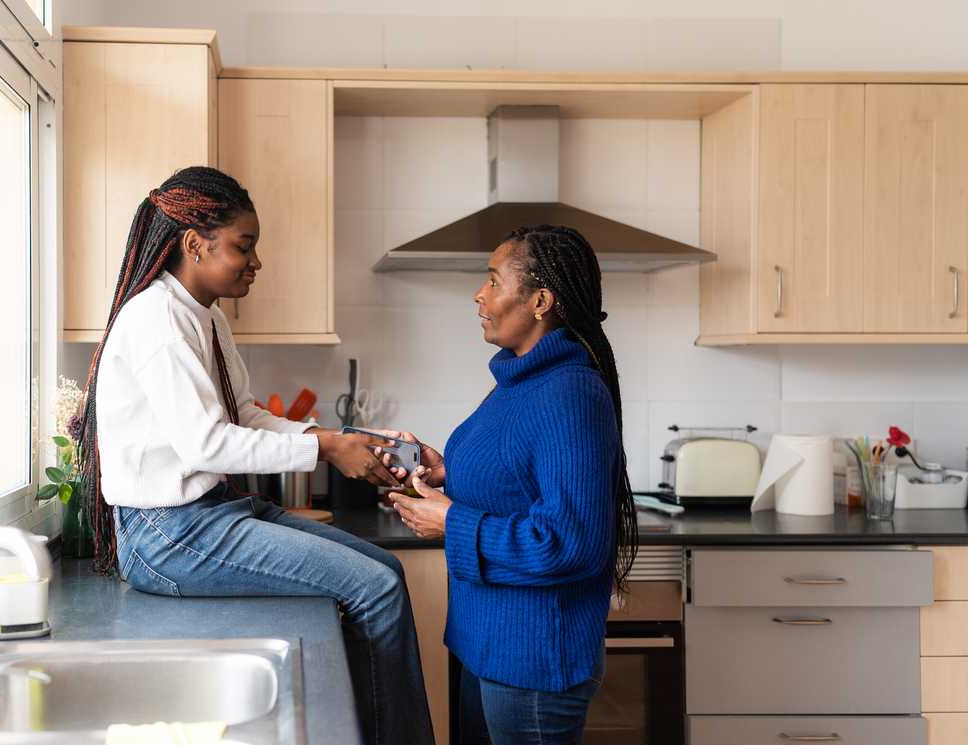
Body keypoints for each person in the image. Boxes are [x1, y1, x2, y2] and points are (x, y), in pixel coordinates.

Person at [75, 166, 435, 745]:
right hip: (165, 534)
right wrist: (324, 448)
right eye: (244, 246)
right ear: (195, 244)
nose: (256, 262)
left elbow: (242, 416)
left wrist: (343, 436)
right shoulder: (156, 320)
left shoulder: (206, 316)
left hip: (211, 513)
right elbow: (207, 443)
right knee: (376, 588)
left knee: (386, 572)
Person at [387, 225, 638, 745]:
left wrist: (451, 521)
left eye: (493, 281)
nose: (479, 295)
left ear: (540, 300)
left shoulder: (569, 393)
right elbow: (519, 477)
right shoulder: (519, 381)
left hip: (533, 662)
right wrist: (446, 472)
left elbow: (571, 543)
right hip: (486, 647)